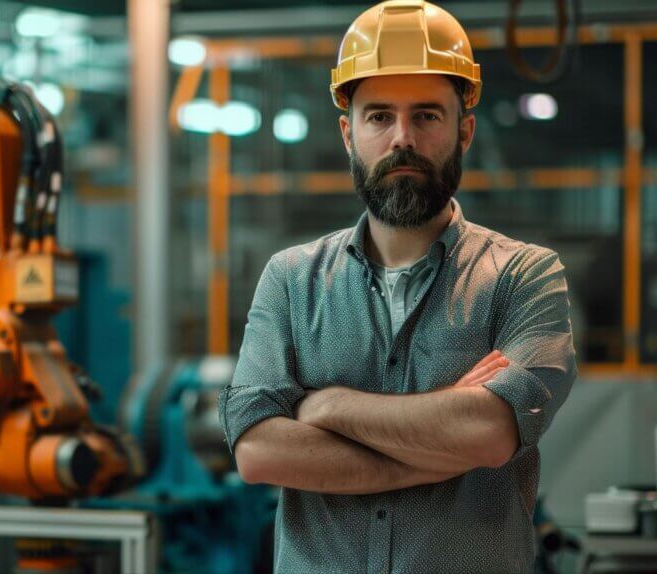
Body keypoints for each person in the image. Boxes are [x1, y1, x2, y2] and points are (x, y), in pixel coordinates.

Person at [217, 1, 578, 572]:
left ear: (464, 130)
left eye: (427, 116)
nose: (401, 138)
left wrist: (328, 405)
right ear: (348, 132)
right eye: (379, 115)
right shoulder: (289, 280)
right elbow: (259, 452)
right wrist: (440, 448)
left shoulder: (524, 276)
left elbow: (489, 433)